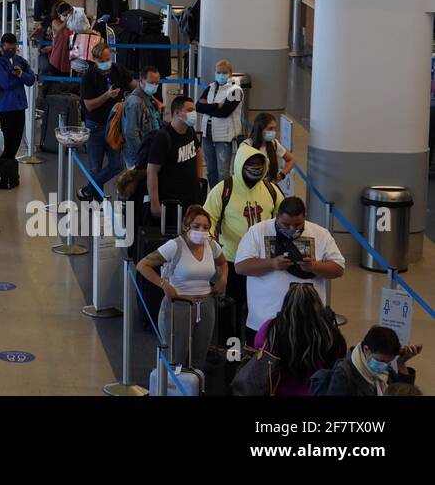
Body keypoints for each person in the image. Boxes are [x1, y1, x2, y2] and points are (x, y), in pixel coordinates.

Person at [234, 196, 346, 343]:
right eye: (286, 225)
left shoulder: (321, 233)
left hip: (308, 322)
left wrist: (314, 266)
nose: (292, 229)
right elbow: (241, 267)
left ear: (305, 217)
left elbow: (338, 269)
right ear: (277, 216)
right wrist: (271, 264)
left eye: (298, 225)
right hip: (264, 320)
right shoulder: (257, 231)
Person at [135, 205, 227, 367]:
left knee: (199, 356)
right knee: (176, 356)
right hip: (179, 305)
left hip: (206, 306)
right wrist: (163, 284)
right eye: (196, 226)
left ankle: (195, 388)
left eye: (206, 227)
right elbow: (143, 265)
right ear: (186, 227)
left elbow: (223, 263)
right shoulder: (175, 246)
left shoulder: (211, 245)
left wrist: (222, 279)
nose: (201, 231)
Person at [203, 144, 283, 328]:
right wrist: (212, 247)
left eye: (259, 164)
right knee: (232, 310)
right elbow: (208, 220)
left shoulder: (271, 190)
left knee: (261, 310)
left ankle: (255, 348)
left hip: (262, 262)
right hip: (232, 261)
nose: (255, 168)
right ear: (240, 164)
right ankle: (231, 351)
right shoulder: (223, 190)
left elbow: (283, 216)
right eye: (250, 164)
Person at [252, 283, 348, 396]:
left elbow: (258, 347)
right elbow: (338, 361)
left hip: (277, 392)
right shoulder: (330, 334)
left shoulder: (270, 329)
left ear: (286, 304)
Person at [77, 42, 132, 200]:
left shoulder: (118, 70)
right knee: (95, 167)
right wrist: (107, 96)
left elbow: (134, 84)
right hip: (95, 127)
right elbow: (89, 106)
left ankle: (88, 190)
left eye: (109, 58)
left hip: (114, 127)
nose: (107, 63)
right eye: (102, 60)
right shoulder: (88, 77)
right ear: (94, 60)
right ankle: (98, 200)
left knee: (116, 165)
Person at [311, 326, 421, 396]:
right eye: (379, 360)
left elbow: (402, 393)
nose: (383, 366)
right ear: (366, 350)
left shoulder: (385, 371)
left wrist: (401, 364)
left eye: (388, 362)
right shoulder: (344, 374)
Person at [144, 95, 205, 222]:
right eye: (189, 110)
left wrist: (199, 180)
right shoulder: (163, 137)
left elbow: (198, 152)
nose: (193, 113)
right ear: (177, 113)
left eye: (193, 110)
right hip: (172, 202)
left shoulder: (190, 130)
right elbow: (152, 171)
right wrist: (155, 203)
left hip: (191, 198)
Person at [0, 33, 34, 162]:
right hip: (5, 108)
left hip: (20, 107)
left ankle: (10, 171)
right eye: (8, 49)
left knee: (15, 143)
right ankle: (2, 171)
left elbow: (31, 80)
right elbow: (6, 83)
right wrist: (20, 78)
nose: (11, 51)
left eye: (14, 49)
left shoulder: (20, 61)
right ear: (1, 47)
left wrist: (20, 74)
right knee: (5, 145)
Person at [196, 59, 243, 186]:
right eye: (218, 72)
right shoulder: (210, 87)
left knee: (223, 172)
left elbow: (225, 113)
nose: (221, 75)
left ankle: (224, 197)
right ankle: (213, 195)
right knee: (211, 170)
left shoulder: (236, 91)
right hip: (207, 134)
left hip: (224, 137)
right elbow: (198, 107)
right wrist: (217, 105)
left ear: (230, 73)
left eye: (224, 72)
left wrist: (208, 106)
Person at [243, 111, 298, 198]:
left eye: (275, 128)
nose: (273, 132)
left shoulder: (274, 143)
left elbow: (292, 159)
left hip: (269, 188)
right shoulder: (246, 145)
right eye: (270, 128)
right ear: (260, 129)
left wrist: (281, 175)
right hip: (251, 190)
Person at [122, 65, 164, 170]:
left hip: (150, 152)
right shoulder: (135, 102)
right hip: (139, 158)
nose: (154, 86)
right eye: (151, 83)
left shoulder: (148, 98)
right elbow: (131, 134)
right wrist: (143, 155)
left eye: (157, 83)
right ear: (141, 81)